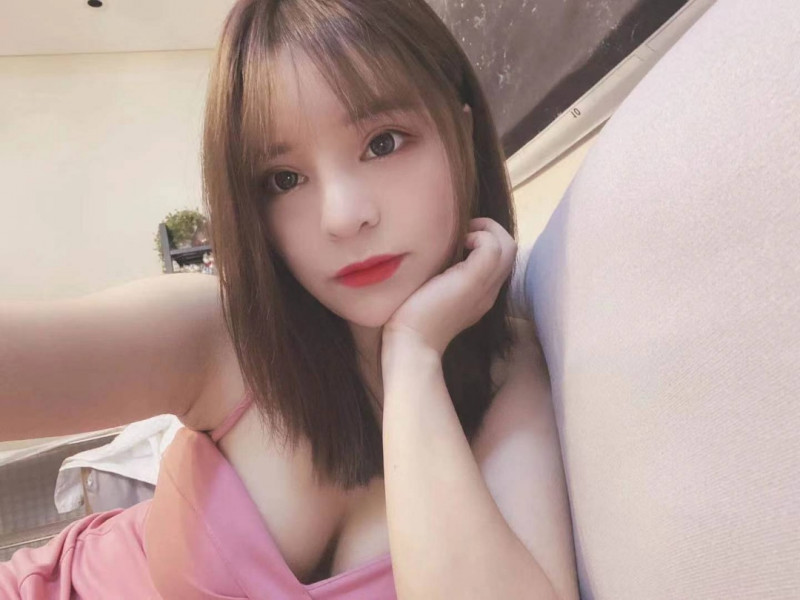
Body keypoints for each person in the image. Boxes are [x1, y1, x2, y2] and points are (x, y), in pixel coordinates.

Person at [0, 0, 578, 598]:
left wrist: (413, 358)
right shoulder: (226, 334)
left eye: (383, 143)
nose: (342, 217)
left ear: (462, 133)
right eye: (284, 179)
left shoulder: (507, 373)